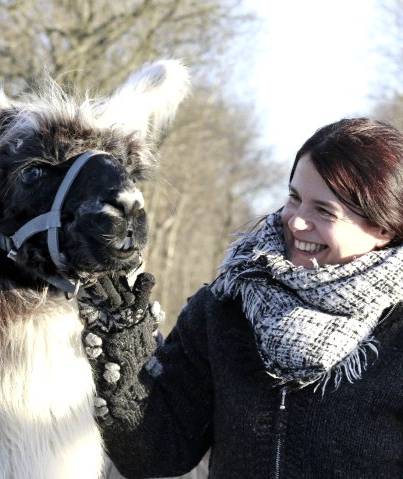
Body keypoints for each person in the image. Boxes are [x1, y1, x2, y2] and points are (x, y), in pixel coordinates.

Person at [81, 118, 403, 479]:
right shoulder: (225, 307)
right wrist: (124, 341)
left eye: (324, 211)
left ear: (382, 227)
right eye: (294, 198)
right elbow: (157, 453)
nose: (296, 222)